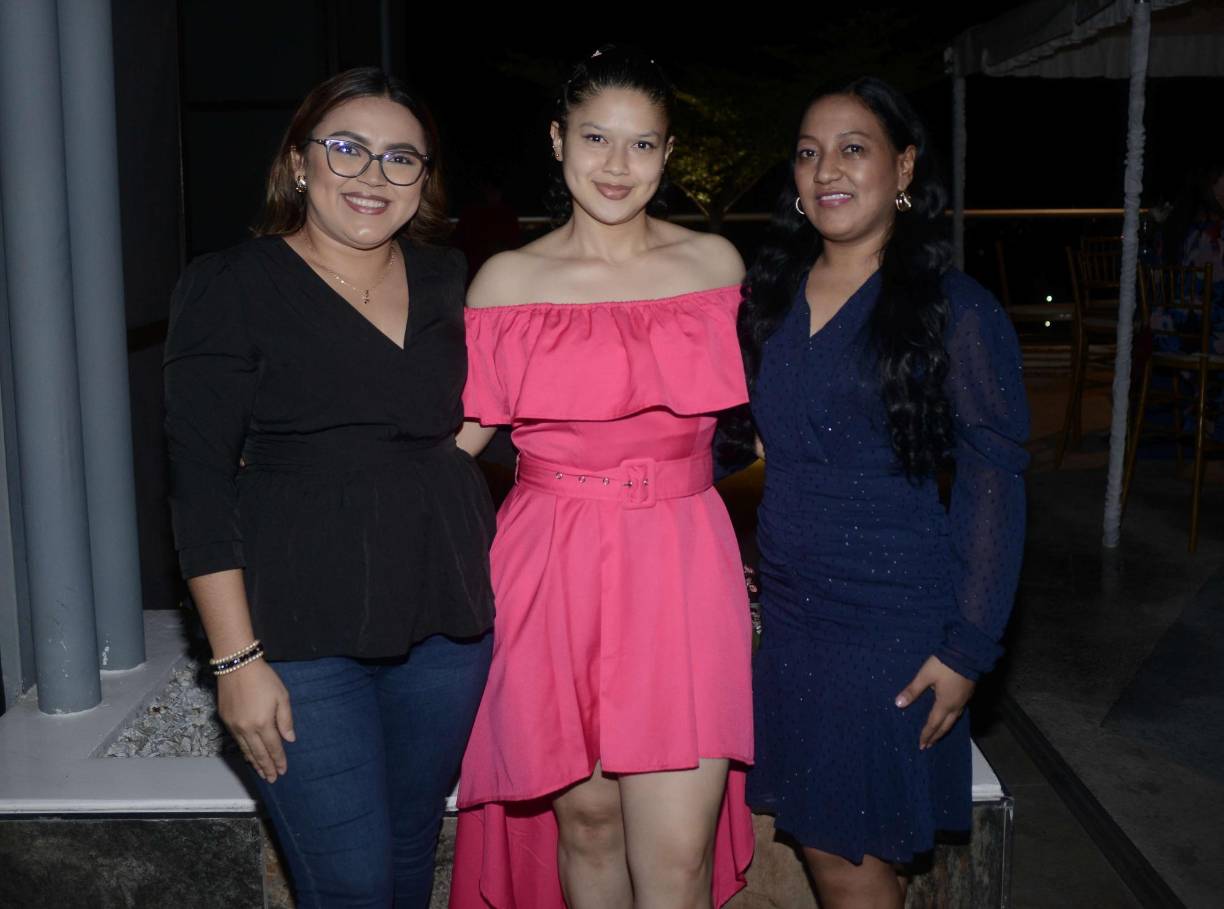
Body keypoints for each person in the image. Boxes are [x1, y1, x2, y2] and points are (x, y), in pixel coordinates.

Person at [163, 67, 495, 908]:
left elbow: (489, 407)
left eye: (399, 159)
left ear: (423, 181)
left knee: (412, 850)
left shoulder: (451, 279)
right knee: (349, 882)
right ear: (300, 162)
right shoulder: (229, 285)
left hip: (444, 627)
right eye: (347, 149)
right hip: (297, 638)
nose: (371, 176)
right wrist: (235, 661)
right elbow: (198, 484)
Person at [450, 47, 754, 909]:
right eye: (596, 138)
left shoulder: (714, 268)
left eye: (643, 145)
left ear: (668, 153)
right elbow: (460, 439)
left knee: (677, 853)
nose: (618, 167)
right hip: (548, 563)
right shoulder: (507, 282)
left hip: (680, 560)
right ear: (556, 140)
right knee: (583, 824)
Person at [734, 77, 1029, 908]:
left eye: (852, 148)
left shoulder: (954, 309)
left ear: (902, 165)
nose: (825, 167)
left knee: (845, 854)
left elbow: (993, 478)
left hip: (887, 620)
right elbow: (731, 441)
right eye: (807, 151)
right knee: (830, 844)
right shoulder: (766, 302)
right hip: (790, 615)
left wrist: (970, 646)